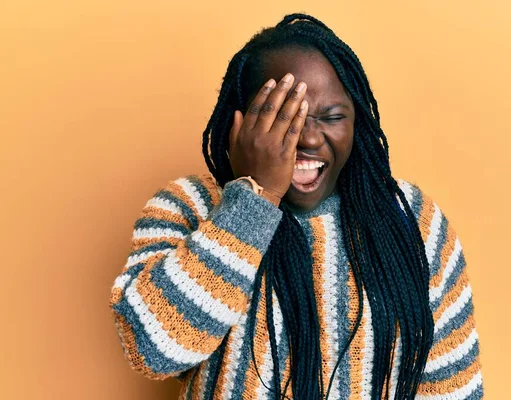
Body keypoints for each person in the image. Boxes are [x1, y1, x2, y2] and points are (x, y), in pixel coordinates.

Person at [109, 13, 484, 400]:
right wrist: (255, 198)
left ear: (358, 122)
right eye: (280, 117)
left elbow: (453, 386)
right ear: (238, 121)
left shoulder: (411, 219)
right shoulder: (189, 205)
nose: (306, 138)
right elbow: (151, 352)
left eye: (332, 117)